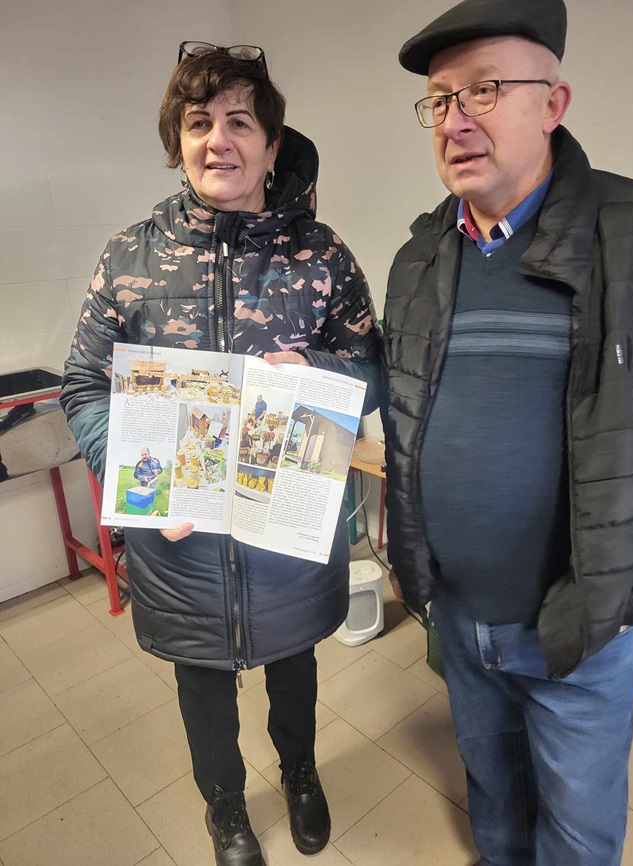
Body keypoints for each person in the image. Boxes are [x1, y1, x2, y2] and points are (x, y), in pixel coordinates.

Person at [61, 42, 380, 866]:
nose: (218, 140)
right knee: (200, 683)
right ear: (178, 143)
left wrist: (322, 373)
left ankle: (301, 774)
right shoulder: (130, 257)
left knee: (294, 667)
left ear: (272, 146)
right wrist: (140, 478)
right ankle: (226, 809)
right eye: (199, 122)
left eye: (240, 121)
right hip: (180, 545)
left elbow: (375, 371)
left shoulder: (321, 256)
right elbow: (83, 384)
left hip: (287, 540)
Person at [382, 1, 633, 863]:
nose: (455, 121)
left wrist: (628, 585)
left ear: (553, 103)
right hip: (459, 620)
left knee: (577, 837)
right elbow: (403, 400)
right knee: (495, 808)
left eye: (485, 90)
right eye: (440, 100)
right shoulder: (420, 256)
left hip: (577, 628)